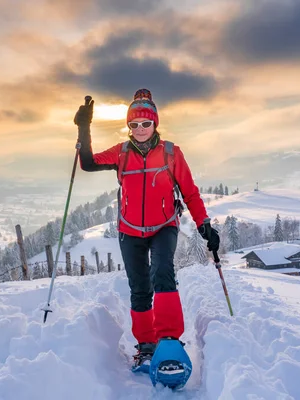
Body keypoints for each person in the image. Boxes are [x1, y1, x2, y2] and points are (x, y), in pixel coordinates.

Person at [74, 88, 220, 370]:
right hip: (130, 231)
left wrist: (205, 226)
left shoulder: (171, 153)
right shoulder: (122, 153)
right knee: (139, 287)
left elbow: (190, 193)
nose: (140, 129)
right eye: (133, 124)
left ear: (155, 124)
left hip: (164, 226)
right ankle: (146, 347)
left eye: (145, 123)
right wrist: (83, 128)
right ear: (128, 126)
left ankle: (169, 341)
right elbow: (88, 163)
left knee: (163, 272)